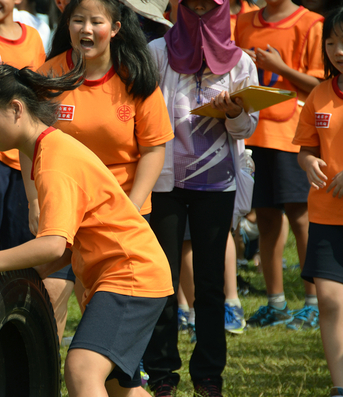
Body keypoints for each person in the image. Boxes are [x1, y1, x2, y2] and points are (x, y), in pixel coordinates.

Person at [0, 63, 173, 397]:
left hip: (130, 274)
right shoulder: (49, 150)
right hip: (127, 272)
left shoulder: (53, 161)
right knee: (120, 389)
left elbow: (51, 245)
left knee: (81, 370)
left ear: (16, 108)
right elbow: (63, 250)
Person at [33, 0, 173, 342]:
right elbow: (31, 145)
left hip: (126, 208)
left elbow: (154, 149)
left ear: (115, 28)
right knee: (59, 293)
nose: (86, 29)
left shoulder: (136, 77)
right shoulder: (48, 75)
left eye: (96, 21)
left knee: (111, 297)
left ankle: (118, 371)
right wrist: (33, 201)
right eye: (78, 20)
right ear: (68, 26)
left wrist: (133, 206)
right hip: (67, 207)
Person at [144, 0, 259, 394]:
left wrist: (231, 114)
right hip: (164, 184)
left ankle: (209, 374)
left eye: (207, 7)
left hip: (217, 184)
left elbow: (247, 129)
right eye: (190, 6)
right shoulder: (158, 52)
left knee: (210, 284)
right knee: (161, 279)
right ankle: (161, 374)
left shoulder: (241, 62)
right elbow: (143, 109)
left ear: (222, 10)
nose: (198, 13)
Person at [235, 0, 324, 330]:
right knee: (267, 219)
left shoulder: (311, 24)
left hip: (291, 135)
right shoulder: (243, 21)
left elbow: (319, 85)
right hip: (254, 135)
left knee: (301, 217)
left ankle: (313, 302)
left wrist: (281, 67)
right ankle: (276, 303)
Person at [293, 8, 343, 395]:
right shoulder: (319, 93)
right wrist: (308, 161)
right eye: (331, 43)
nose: (338, 51)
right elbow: (306, 148)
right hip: (326, 215)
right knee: (329, 300)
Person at [0, 0, 46, 252]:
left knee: (22, 240)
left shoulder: (34, 38)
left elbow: (39, 95)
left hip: (25, 156)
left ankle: (18, 293)